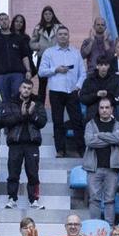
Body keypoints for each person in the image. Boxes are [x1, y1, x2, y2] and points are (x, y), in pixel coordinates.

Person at [38, 27, 85, 158]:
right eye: (60, 34)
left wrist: (78, 86)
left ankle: (81, 150)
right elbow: (41, 72)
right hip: (56, 91)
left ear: (69, 36)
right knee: (58, 122)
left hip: (72, 91)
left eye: (65, 34)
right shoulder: (49, 52)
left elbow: (83, 73)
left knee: (77, 121)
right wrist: (55, 69)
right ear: (56, 37)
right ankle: (60, 150)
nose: (63, 36)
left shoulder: (76, 53)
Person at [2, 79, 47, 210]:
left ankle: (34, 200)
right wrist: (21, 115)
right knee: (13, 173)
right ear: (20, 89)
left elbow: (42, 122)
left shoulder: (37, 103)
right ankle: (12, 199)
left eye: (29, 88)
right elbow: (6, 121)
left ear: (31, 90)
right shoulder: (11, 103)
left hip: (32, 143)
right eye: (24, 87)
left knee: (33, 173)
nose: (26, 90)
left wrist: (32, 114)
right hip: (15, 143)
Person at [82, 98, 119, 222]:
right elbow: (89, 141)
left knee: (110, 200)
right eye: (102, 107)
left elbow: (118, 139)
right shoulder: (90, 124)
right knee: (94, 200)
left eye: (107, 107)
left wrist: (100, 135)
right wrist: (110, 139)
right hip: (93, 169)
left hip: (112, 169)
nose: (104, 110)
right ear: (98, 109)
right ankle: (95, 227)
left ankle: (109, 227)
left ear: (112, 109)